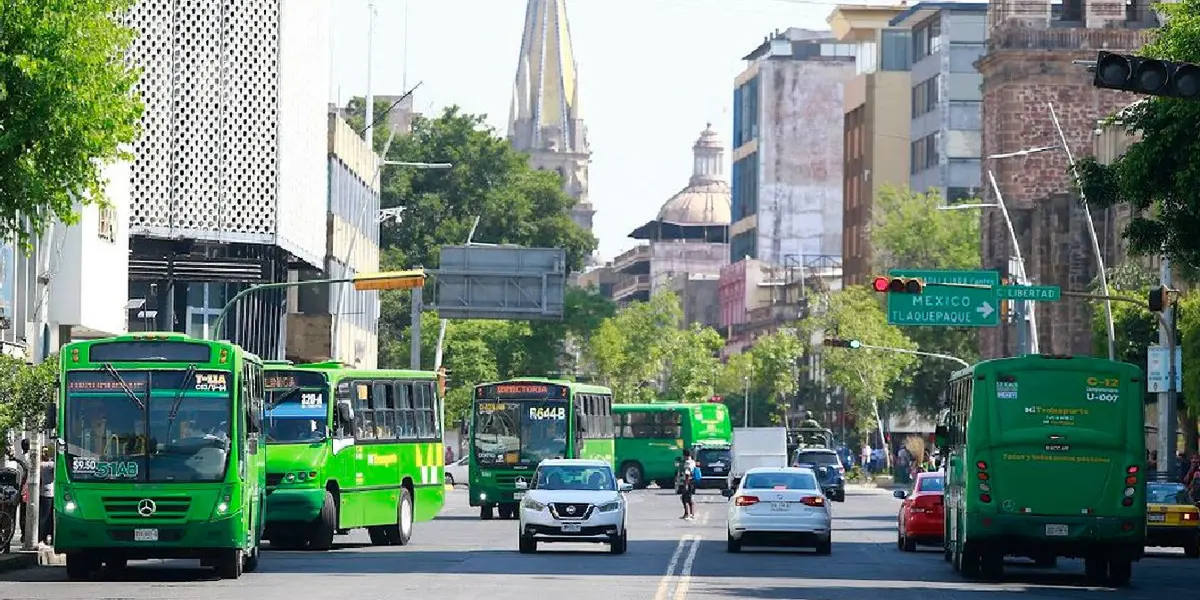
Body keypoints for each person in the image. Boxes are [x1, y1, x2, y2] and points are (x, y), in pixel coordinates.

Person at [680, 450, 696, 521]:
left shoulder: (687, 463)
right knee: (689, 497)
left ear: (685, 455)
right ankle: (692, 513)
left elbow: (687, 474)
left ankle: (687, 514)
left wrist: (686, 484)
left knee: (684, 498)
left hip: (688, 482)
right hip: (692, 481)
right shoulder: (693, 462)